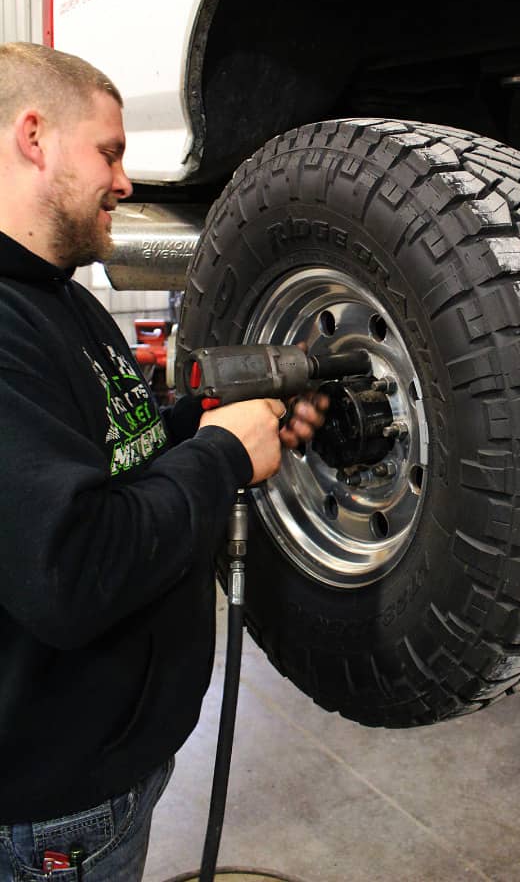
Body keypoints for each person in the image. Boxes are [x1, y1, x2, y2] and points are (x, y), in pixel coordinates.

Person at [0, 42, 326, 880]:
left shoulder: (65, 300)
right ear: (34, 137)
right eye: (109, 152)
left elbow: (114, 459)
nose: (125, 182)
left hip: (112, 772)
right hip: (53, 818)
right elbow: (72, 566)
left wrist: (205, 423)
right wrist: (220, 456)